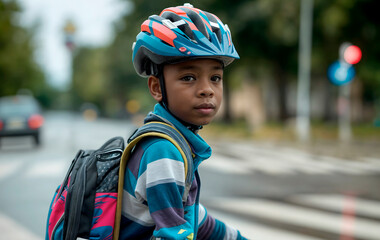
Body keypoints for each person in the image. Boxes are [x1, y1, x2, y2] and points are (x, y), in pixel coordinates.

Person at [120, 3, 247, 240]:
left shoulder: (174, 142)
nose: (206, 89)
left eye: (215, 77)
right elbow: (173, 234)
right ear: (157, 87)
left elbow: (195, 219)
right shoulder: (163, 151)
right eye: (189, 77)